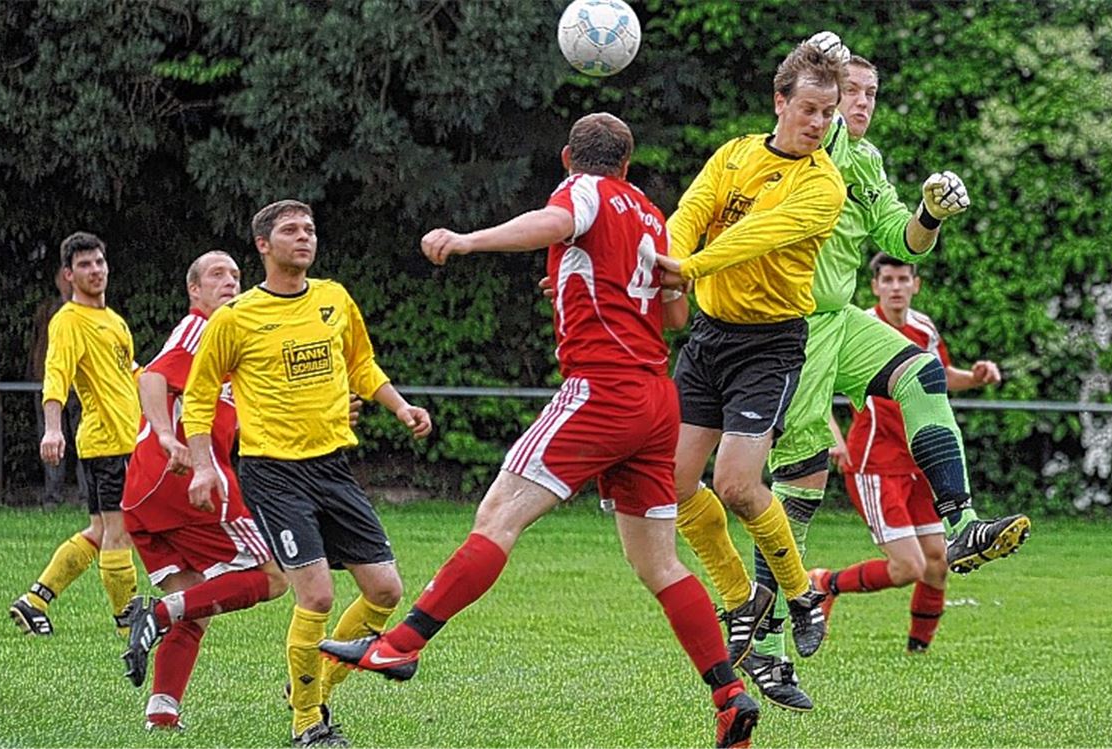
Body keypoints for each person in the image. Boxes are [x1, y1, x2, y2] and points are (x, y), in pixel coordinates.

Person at [318, 112, 761, 749]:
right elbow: (673, 313)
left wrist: (468, 240)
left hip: (602, 390)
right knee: (659, 562)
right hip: (656, 400)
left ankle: (402, 644)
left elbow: (554, 223)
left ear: (567, 159)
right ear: (628, 164)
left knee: (498, 516)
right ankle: (728, 696)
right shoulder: (650, 214)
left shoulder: (583, 191)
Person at [674, 33, 1031, 712]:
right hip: (789, 329)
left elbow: (902, 240)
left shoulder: (863, 162)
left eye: (871, 94)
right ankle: (767, 643)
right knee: (792, 488)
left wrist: (930, 213)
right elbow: (798, 117)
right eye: (852, 93)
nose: (862, 103)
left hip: (838, 319)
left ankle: (962, 523)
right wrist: (818, 56)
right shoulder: (815, 153)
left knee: (921, 371)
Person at [182, 200, 432, 748]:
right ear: (263, 245)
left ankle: (310, 687)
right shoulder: (235, 318)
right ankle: (307, 723)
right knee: (315, 596)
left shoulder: (334, 298)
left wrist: (400, 407)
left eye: (310, 229)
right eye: (291, 230)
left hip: (332, 467)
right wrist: (203, 465)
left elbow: (360, 365)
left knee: (385, 590)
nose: (304, 237)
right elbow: (198, 397)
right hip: (273, 472)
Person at [652, 40, 848, 670]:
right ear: (780, 102)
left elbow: (757, 236)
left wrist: (687, 268)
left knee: (736, 485)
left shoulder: (824, 185)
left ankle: (801, 594)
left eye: (829, 113)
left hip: (770, 346)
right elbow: (691, 212)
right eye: (810, 109)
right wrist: (670, 259)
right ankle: (742, 598)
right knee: (675, 485)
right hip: (710, 337)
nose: (819, 123)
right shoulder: (734, 154)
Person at [117, 251, 289, 731]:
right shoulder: (201, 328)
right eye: (217, 274)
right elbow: (153, 376)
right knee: (274, 576)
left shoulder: (231, 346)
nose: (230, 281)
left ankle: (162, 713)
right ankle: (159, 614)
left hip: (144, 494)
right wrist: (167, 436)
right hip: (182, 479)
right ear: (194, 290)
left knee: (196, 602)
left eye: (236, 275)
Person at [808, 253, 1004, 654]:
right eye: (888, 280)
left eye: (903, 279)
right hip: (875, 463)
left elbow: (939, 376)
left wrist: (975, 378)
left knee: (938, 561)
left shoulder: (923, 328)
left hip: (919, 464)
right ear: (874, 286)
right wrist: (833, 436)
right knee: (908, 567)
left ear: (916, 285)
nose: (895, 287)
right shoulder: (857, 326)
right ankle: (825, 583)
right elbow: (816, 382)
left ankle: (918, 651)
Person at [9, 232, 141, 639]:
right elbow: (57, 374)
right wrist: (52, 428)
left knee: (101, 532)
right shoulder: (68, 320)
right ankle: (128, 624)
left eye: (99, 262)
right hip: (106, 442)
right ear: (68, 274)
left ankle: (34, 601)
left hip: (126, 439)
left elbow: (130, 374)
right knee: (120, 532)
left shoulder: (114, 321)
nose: (95, 270)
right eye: (84, 264)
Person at [27, 269, 88, 510]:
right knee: (50, 439)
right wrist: (35, 376)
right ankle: (52, 496)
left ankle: (86, 496)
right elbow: (37, 345)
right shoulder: (46, 311)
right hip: (47, 384)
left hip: (78, 386)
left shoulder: (86, 311)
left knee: (83, 440)